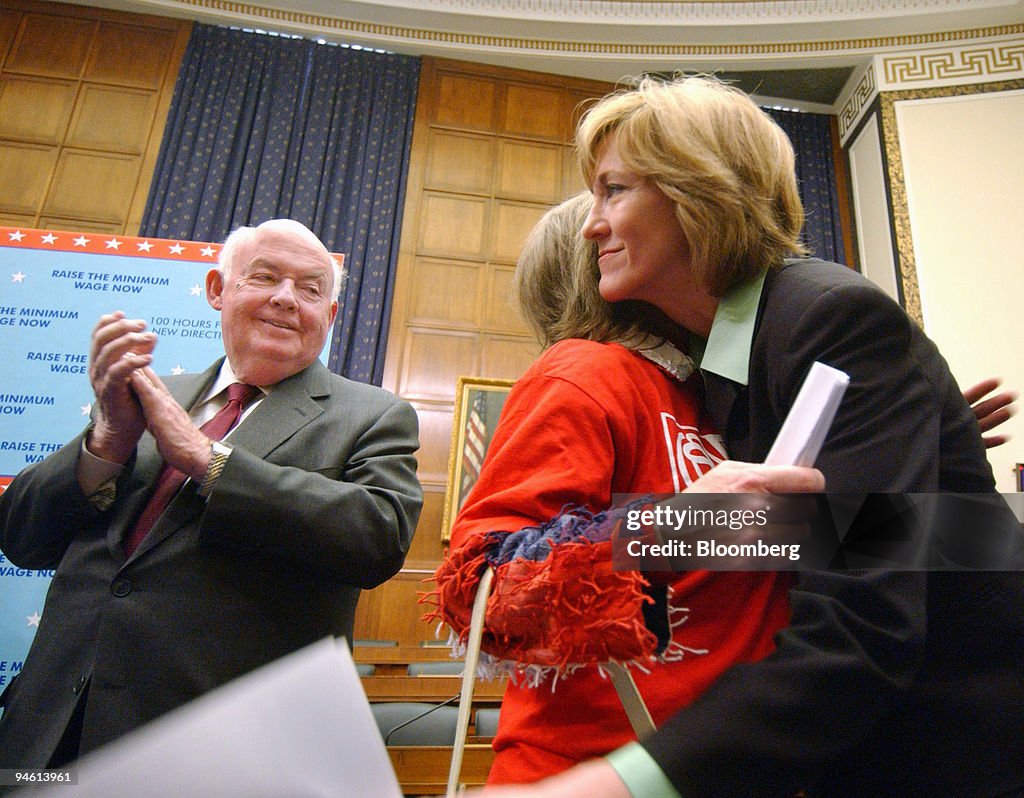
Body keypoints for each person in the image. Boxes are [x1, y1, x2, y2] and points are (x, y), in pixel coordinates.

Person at [472, 75, 1024, 797]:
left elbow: (867, 618)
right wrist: (922, 467)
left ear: (699, 190)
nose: (589, 224)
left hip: (941, 748)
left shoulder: (825, 317)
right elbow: (837, 531)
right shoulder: (729, 356)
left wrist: (616, 785)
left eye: (615, 191)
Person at [0, 219, 423, 771]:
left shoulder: (372, 416)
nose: (286, 299)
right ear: (217, 291)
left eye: (311, 289)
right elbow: (21, 538)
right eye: (265, 277)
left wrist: (207, 461)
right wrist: (105, 442)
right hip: (50, 729)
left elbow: (378, 538)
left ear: (332, 316)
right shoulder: (150, 396)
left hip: (214, 751)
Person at [430, 193, 823, 784]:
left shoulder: (717, 395)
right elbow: (485, 591)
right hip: (589, 772)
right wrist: (669, 530)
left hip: (721, 761)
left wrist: (891, 453)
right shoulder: (583, 372)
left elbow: (782, 546)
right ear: (597, 263)